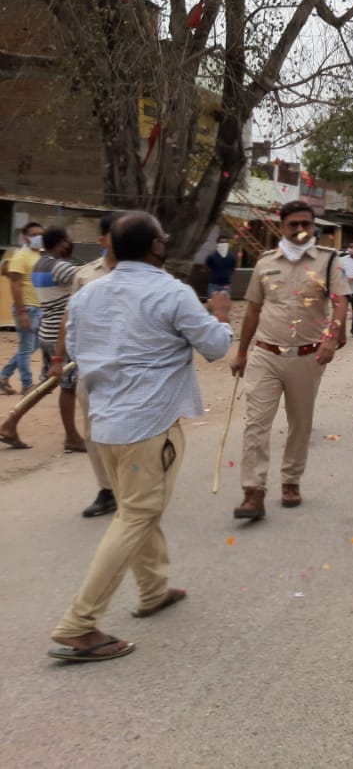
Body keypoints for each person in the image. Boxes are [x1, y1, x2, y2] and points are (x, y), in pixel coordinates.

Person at [48, 212, 233, 662]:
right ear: (155, 247)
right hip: (149, 426)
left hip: (106, 422)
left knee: (138, 507)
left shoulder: (89, 295)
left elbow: (73, 348)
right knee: (136, 514)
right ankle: (80, 624)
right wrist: (222, 317)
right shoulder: (171, 292)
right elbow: (216, 347)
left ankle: (153, 589)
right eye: (163, 238)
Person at [231, 201, 347, 519]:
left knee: (300, 424)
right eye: (293, 225)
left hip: (307, 357)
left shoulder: (328, 261)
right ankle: (253, 491)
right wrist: (241, 353)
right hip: (266, 355)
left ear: (313, 227)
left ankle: (291, 481)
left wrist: (331, 339)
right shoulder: (265, 263)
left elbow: (339, 302)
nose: (299, 230)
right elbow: (253, 308)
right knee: (256, 424)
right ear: (281, 227)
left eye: (305, 225)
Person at [62, 212, 125, 516]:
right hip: (92, 369)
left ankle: (133, 484)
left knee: (133, 429)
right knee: (94, 430)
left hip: (133, 370)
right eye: (117, 233)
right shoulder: (85, 276)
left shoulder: (148, 276)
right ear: (103, 240)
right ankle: (107, 489)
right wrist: (61, 357)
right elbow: (70, 318)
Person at [31, 226, 85, 453]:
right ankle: (72, 436)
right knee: (68, 386)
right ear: (61, 243)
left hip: (46, 331)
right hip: (61, 335)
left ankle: (12, 420)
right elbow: (88, 279)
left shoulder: (39, 264)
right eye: (70, 241)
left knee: (49, 382)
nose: (71, 245)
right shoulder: (60, 267)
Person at [1, 221, 44, 395]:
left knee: (32, 347)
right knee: (26, 349)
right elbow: (15, 285)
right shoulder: (21, 256)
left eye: (40, 234)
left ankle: (3, 376)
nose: (38, 238)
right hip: (27, 308)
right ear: (25, 237)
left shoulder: (40, 255)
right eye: (34, 235)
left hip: (38, 307)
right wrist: (22, 312)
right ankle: (27, 385)